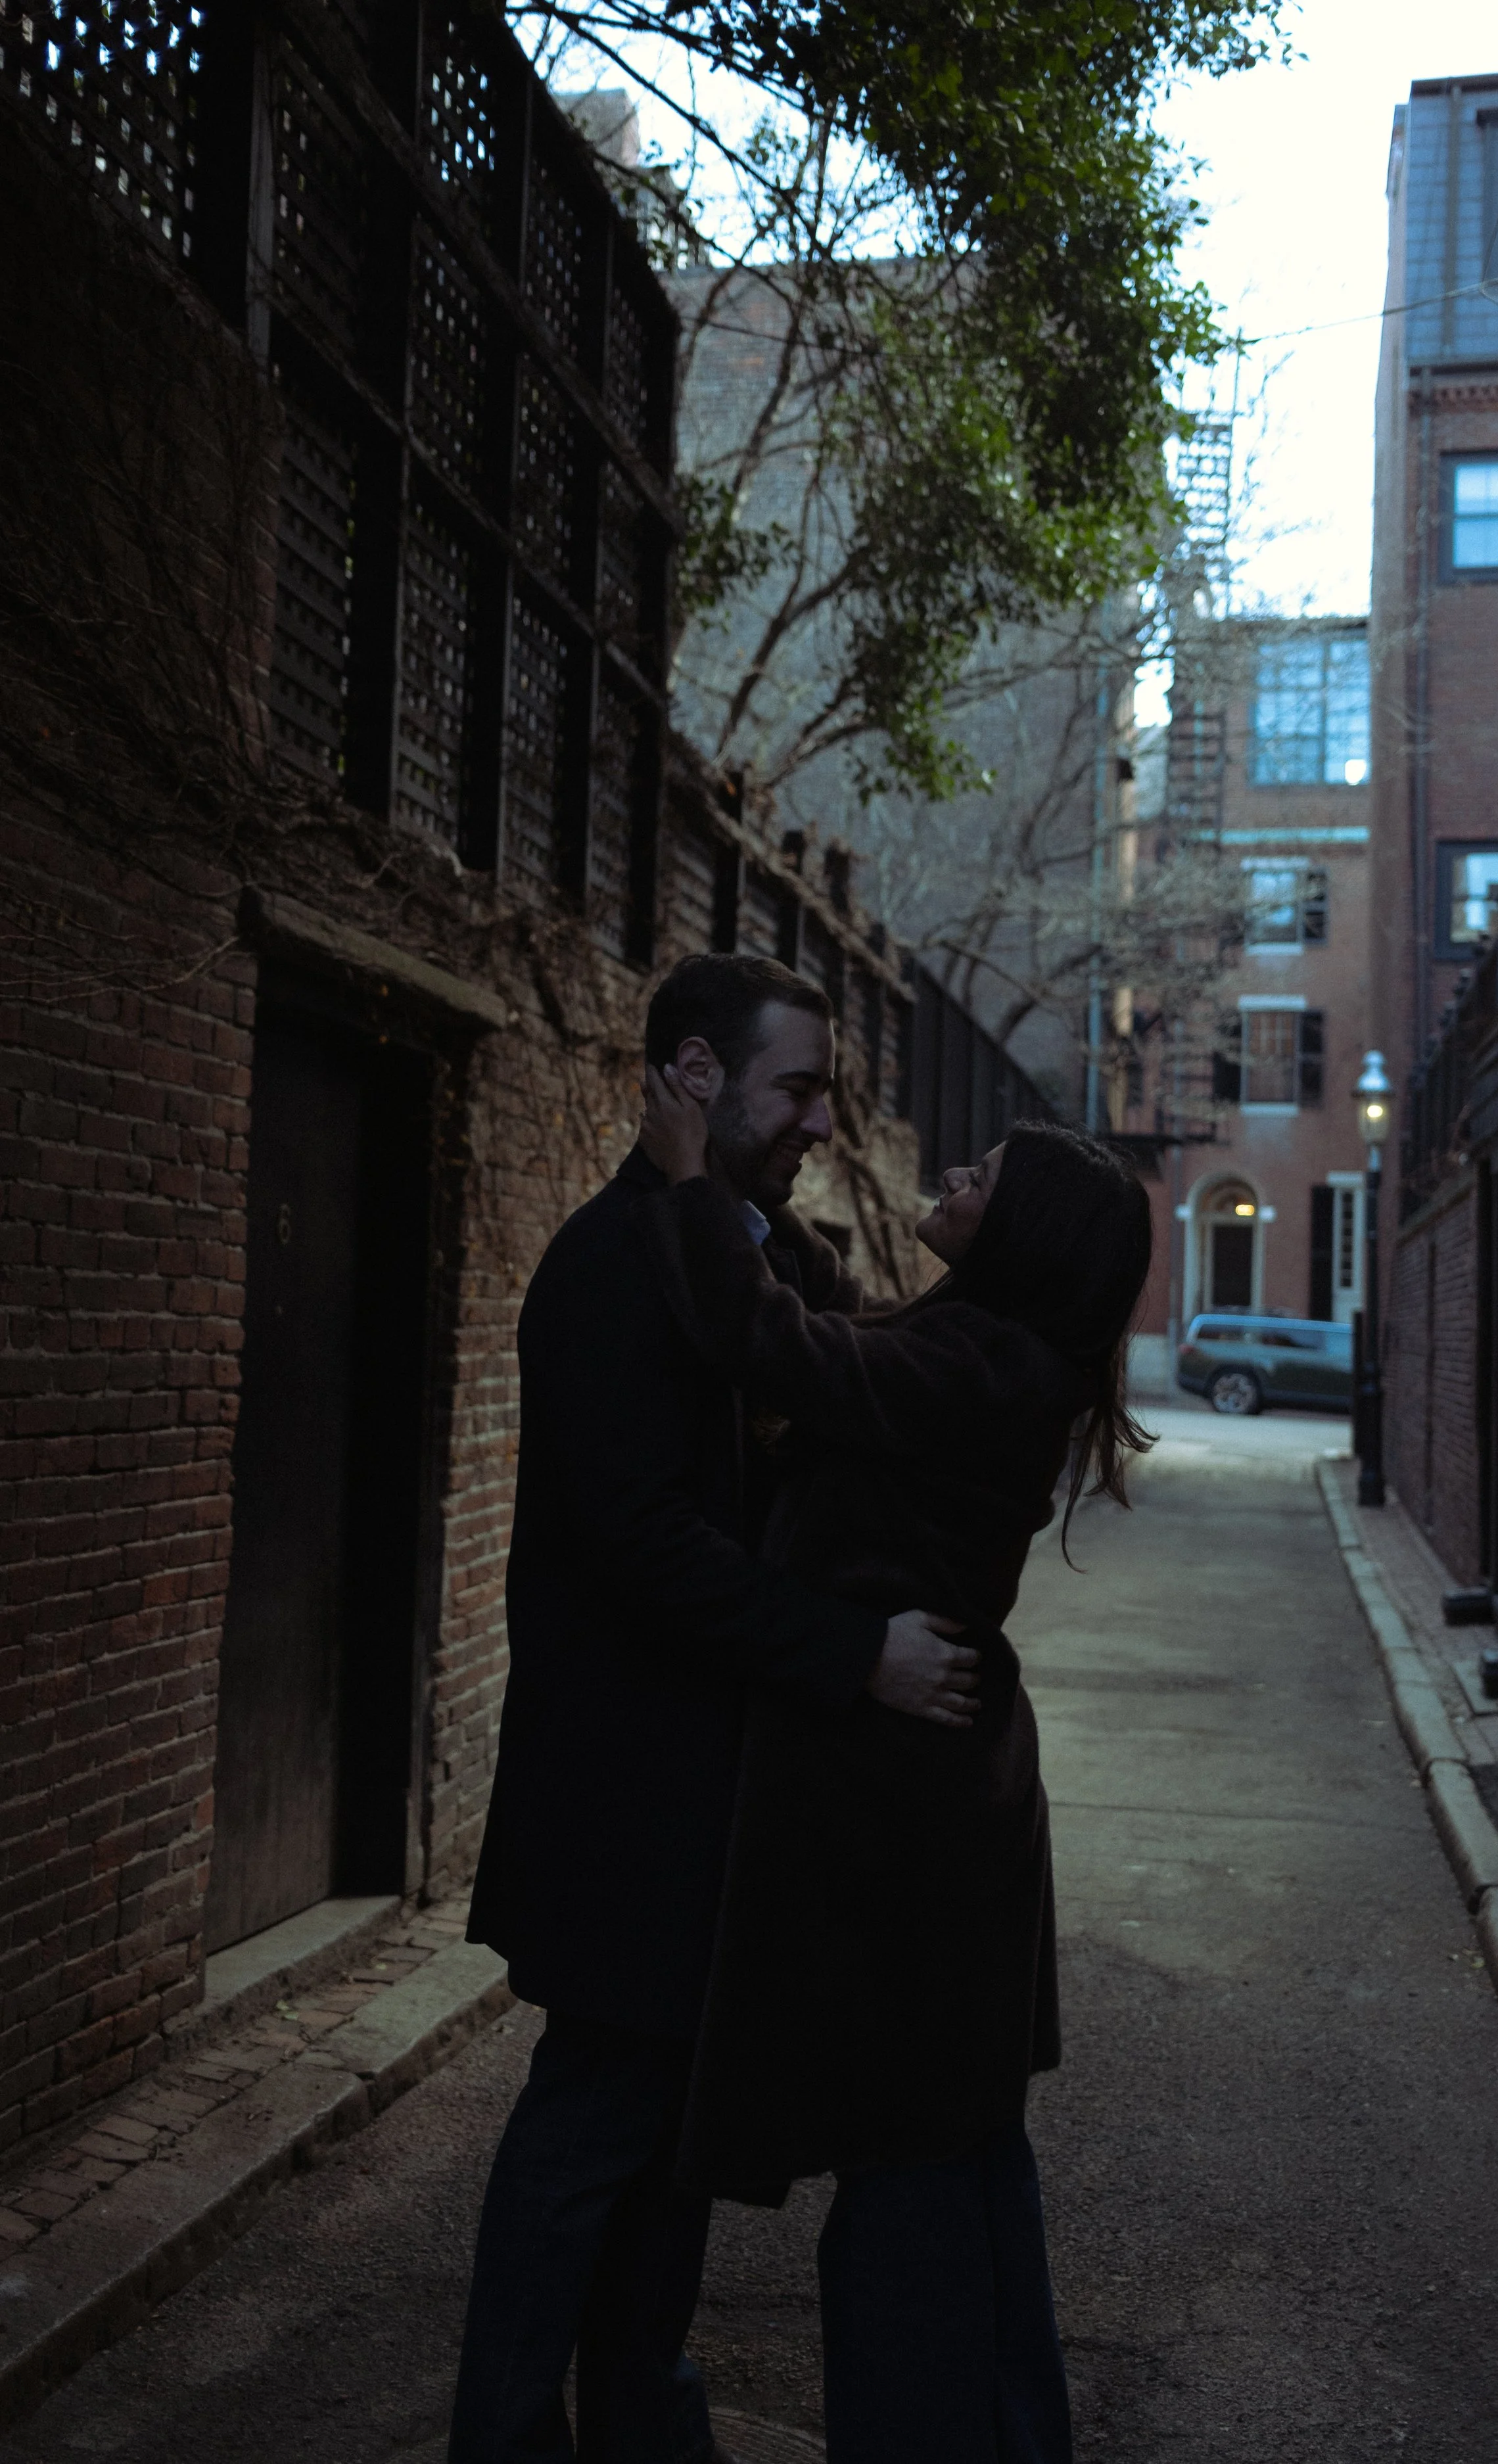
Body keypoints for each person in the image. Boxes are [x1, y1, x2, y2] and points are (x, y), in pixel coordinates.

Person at [448, 956, 974, 2464]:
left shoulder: (760, 1259)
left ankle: (640, 2427)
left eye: (826, 1091)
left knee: (669, 2146)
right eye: (795, 1088)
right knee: (583, 2137)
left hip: (719, 1800)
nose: (821, 1120)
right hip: (624, 1795)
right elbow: (643, 1543)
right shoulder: (607, 1265)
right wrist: (851, 1655)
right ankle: (502, 2443)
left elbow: (863, 1370)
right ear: (692, 1077)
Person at [637, 1071, 1156, 2464]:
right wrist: (754, 1215)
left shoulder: (986, 1371)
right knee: (954, 2156)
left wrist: (688, 1182)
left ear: (1024, 1237)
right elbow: (839, 1320)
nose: (958, 1177)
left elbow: (786, 1352)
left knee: (913, 2175)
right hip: (934, 1808)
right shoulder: (983, 1346)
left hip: (915, 1832)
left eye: (987, 1179)